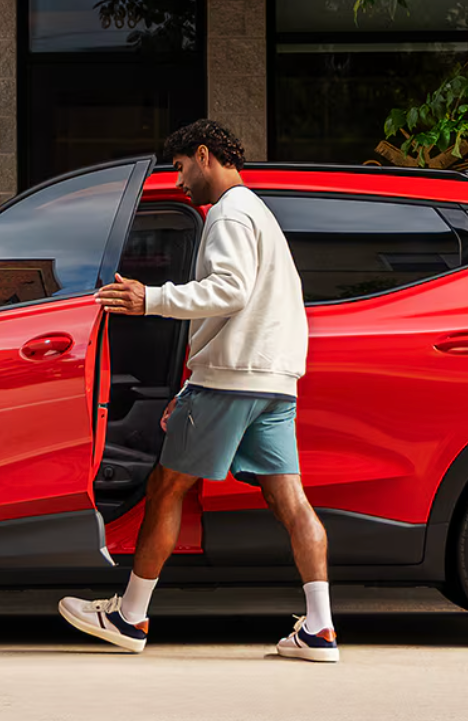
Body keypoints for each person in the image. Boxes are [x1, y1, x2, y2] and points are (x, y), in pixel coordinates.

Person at [57, 120, 336, 662]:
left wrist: (150, 298)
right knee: (291, 500)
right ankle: (319, 630)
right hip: (275, 381)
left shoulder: (230, 212)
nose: (180, 181)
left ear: (204, 155)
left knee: (164, 488)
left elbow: (228, 290)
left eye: (182, 168)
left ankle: (129, 616)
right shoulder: (258, 211)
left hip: (230, 379)